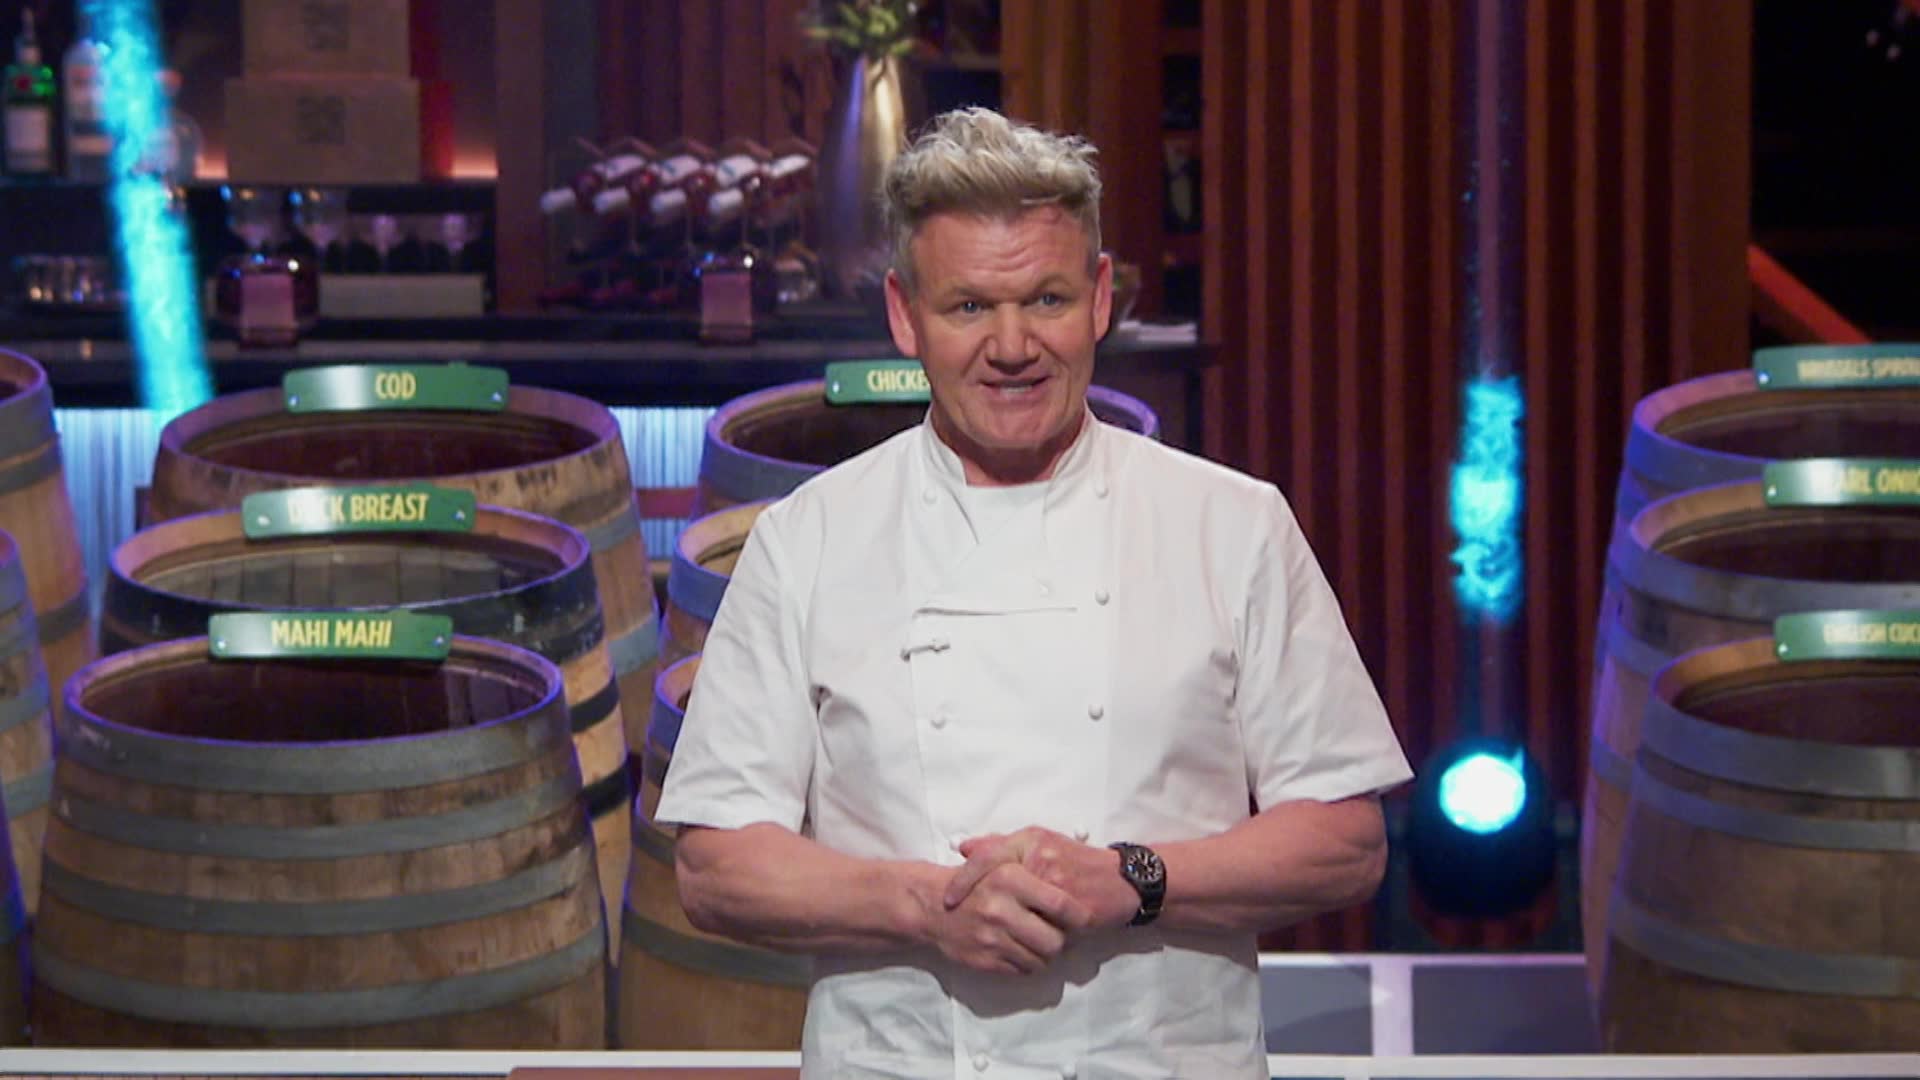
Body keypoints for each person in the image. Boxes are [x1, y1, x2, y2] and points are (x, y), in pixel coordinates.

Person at [655, 107, 1412, 1079]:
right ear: (905, 316)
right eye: (969, 306)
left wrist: (1132, 879)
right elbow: (715, 866)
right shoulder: (808, 538)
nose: (1011, 345)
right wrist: (925, 906)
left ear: (1100, 299)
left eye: (1046, 299)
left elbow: (1346, 842)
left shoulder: (1232, 524)